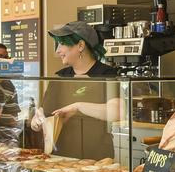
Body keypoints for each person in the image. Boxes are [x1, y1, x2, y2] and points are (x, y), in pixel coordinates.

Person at [32, 21, 118, 160]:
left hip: (97, 157)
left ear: (80, 45)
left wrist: (78, 107)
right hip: (61, 156)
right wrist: (36, 121)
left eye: (62, 44)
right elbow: (44, 114)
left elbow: (116, 112)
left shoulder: (107, 75)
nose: (57, 51)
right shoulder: (60, 77)